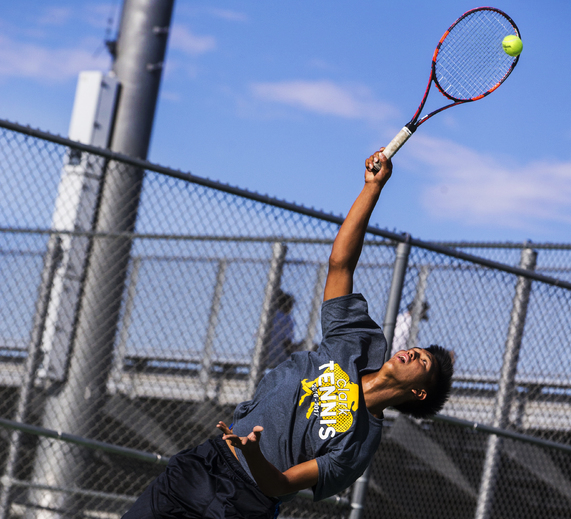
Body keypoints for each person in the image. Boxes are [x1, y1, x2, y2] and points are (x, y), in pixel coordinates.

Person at [121, 148, 454, 519]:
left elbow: (280, 484)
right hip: (203, 465)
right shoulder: (353, 343)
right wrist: (372, 188)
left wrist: (252, 453)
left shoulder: (359, 446)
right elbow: (340, 263)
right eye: (418, 349)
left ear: (419, 392)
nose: (411, 352)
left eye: (422, 360)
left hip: (242, 505)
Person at [264, 289, 296, 369]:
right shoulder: (287, 319)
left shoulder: (270, 315)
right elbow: (287, 343)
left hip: (263, 354)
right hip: (278, 356)